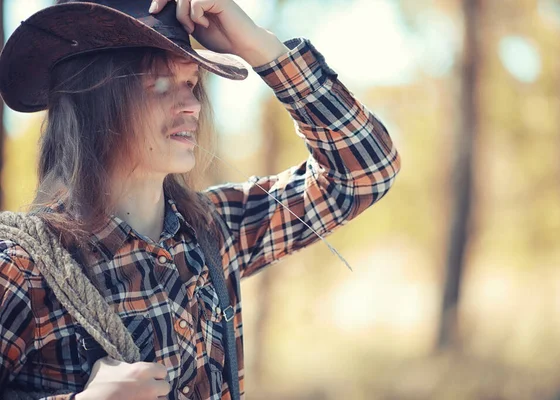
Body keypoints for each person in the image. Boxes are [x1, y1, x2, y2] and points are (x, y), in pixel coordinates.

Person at [0, 0, 401, 399]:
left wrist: (261, 47)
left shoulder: (216, 227)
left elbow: (365, 173)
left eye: (191, 83)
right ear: (94, 97)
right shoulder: (21, 269)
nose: (191, 105)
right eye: (159, 83)